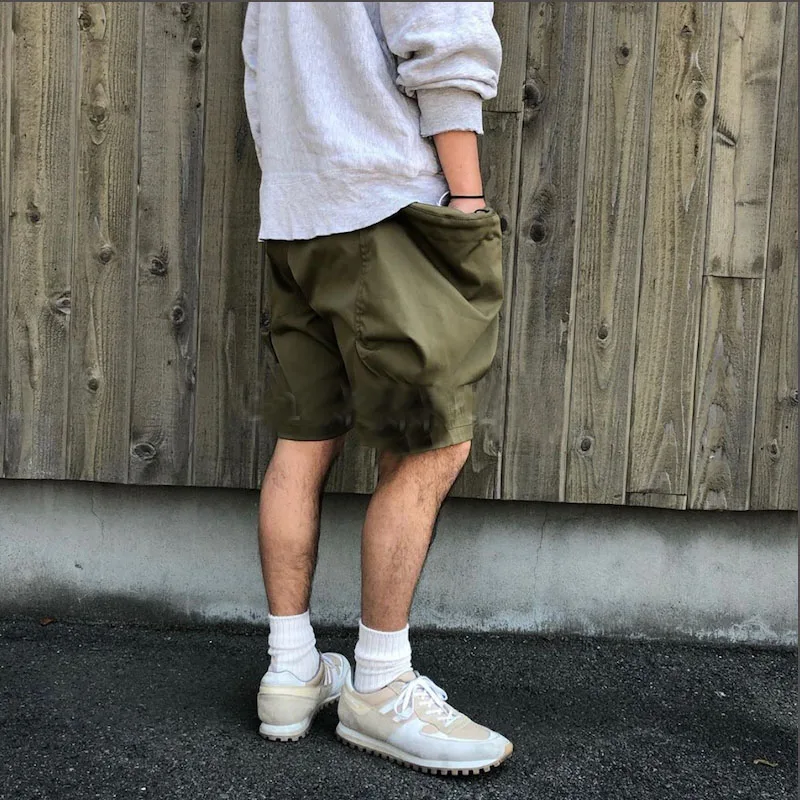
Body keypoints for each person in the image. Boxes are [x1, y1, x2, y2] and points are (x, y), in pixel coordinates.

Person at [242, 1, 511, 775]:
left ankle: (292, 670)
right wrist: (467, 200)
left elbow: (267, 62)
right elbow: (445, 39)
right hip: (386, 204)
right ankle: (382, 686)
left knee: (305, 439)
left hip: (297, 214)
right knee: (429, 445)